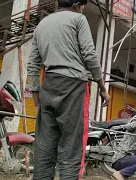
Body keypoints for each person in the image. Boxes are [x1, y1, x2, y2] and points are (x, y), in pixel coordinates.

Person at [27, 0, 110, 179]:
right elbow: (89, 54)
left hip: (48, 85)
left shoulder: (41, 25)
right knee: (72, 149)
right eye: (82, 5)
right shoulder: (78, 19)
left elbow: (33, 65)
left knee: (44, 150)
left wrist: (37, 102)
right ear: (76, 4)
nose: (83, 8)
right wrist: (102, 88)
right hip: (73, 87)